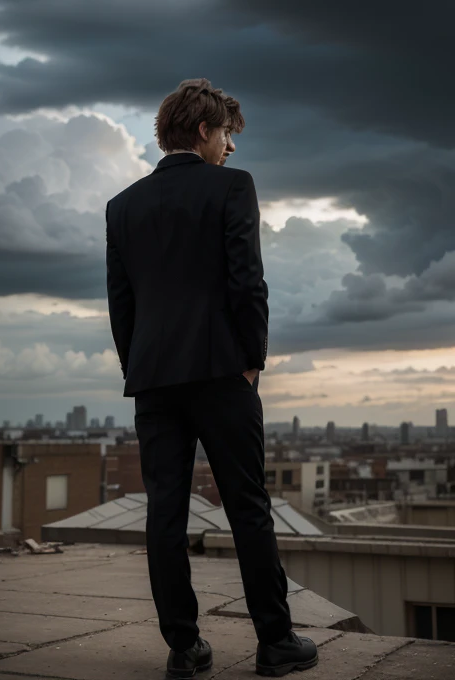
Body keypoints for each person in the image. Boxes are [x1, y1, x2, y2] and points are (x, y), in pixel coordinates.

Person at [105, 79, 318, 678]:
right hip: (224, 370)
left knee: (164, 512)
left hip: (153, 379)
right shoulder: (232, 186)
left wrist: (138, 368)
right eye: (226, 134)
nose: (230, 147)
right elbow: (247, 282)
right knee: (248, 505)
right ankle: (275, 643)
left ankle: (184, 648)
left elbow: (122, 306)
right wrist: (253, 361)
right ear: (203, 130)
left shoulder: (122, 205)